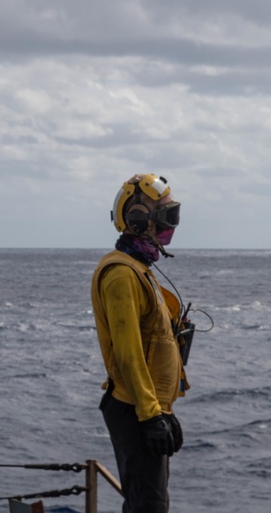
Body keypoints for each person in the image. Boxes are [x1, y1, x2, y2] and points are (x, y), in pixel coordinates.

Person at [90, 173, 189, 513]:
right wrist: (150, 416)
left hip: (144, 406)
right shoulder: (121, 274)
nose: (170, 225)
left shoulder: (138, 268)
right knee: (148, 506)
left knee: (149, 503)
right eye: (165, 216)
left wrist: (163, 411)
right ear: (136, 219)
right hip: (133, 408)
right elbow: (129, 355)